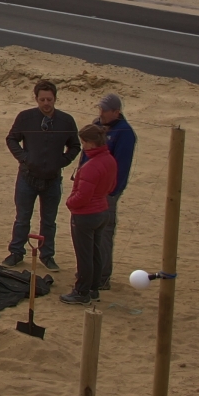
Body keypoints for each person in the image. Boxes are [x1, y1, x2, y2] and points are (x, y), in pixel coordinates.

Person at [5, 80, 79, 270]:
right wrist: (24, 158)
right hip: (27, 177)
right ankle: (16, 252)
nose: (46, 103)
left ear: (55, 99)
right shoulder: (26, 117)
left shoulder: (66, 120)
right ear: (36, 99)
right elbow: (12, 139)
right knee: (22, 218)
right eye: (42, 99)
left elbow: (75, 146)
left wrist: (61, 161)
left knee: (49, 221)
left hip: (52, 179)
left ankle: (47, 255)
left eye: (49, 99)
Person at [62, 124, 119, 304]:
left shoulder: (91, 166)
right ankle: (93, 288)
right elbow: (111, 186)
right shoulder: (109, 160)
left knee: (85, 254)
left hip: (86, 214)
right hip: (101, 210)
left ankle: (82, 291)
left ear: (91, 143)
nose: (83, 146)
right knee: (95, 252)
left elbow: (83, 196)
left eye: (84, 142)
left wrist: (69, 202)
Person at [94, 93, 137, 294]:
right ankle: (90, 271)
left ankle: (102, 276)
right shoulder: (98, 125)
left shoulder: (125, 132)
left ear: (116, 112)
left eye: (104, 110)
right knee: (88, 231)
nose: (100, 113)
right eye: (100, 109)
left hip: (108, 192)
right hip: (90, 188)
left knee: (104, 232)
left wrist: (110, 191)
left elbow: (120, 167)